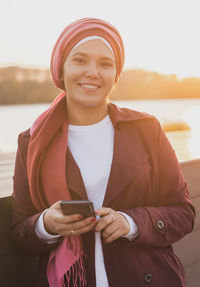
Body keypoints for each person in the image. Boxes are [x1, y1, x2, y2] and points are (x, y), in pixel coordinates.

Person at [11, 17, 195, 287]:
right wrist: (46, 224)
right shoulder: (31, 141)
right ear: (60, 70)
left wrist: (131, 223)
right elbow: (19, 231)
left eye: (105, 64)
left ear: (116, 75)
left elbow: (182, 212)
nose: (92, 72)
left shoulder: (147, 129)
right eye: (80, 60)